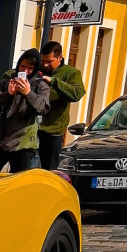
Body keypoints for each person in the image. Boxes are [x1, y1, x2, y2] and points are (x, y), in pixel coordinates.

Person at [0, 49, 50, 173]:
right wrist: (8, 94)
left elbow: (43, 108)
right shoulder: (6, 81)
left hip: (23, 145)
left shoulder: (40, 85)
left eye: (30, 68)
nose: (25, 71)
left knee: (19, 185)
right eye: (23, 66)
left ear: (35, 69)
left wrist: (28, 93)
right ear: (18, 64)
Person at [38, 40, 86, 170]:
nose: (45, 65)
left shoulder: (71, 73)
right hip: (32, 128)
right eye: (43, 61)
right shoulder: (37, 69)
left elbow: (77, 93)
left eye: (49, 61)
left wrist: (54, 81)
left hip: (53, 130)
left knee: (50, 170)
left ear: (60, 57)